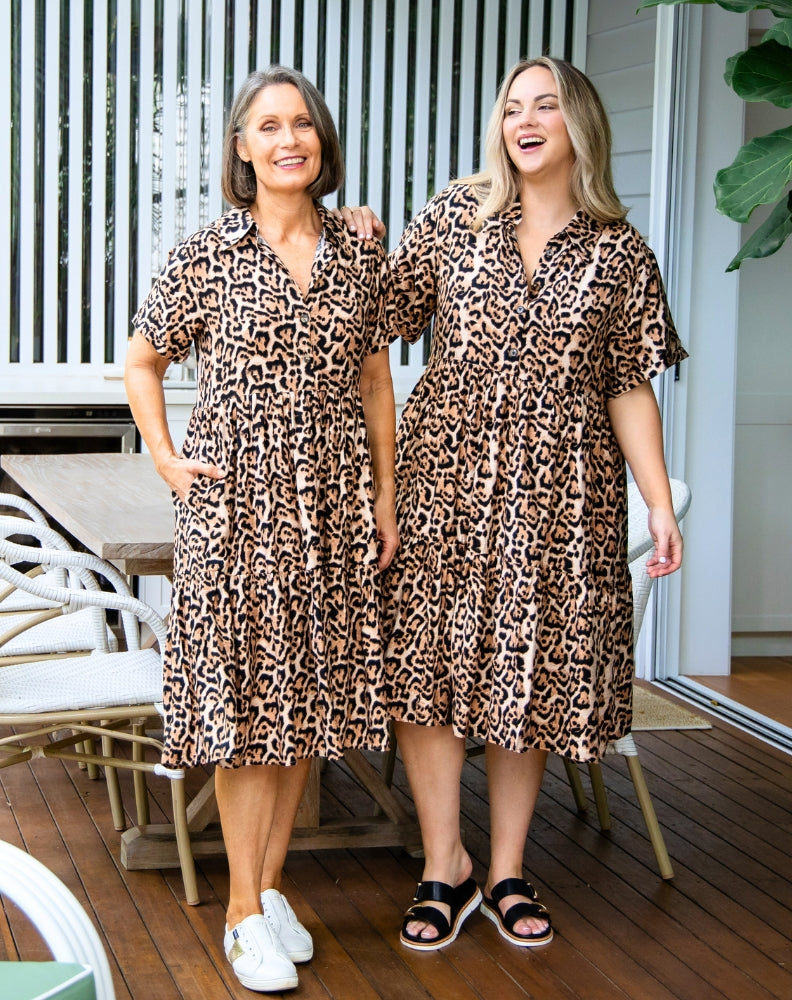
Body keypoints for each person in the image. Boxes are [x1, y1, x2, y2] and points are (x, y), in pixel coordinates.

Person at [341, 56, 687, 951]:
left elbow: (628, 385)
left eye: (545, 106)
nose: (525, 121)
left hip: (561, 496)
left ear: (580, 124)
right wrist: (353, 232)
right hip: (443, 481)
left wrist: (658, 501)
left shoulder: (620, 251)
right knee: (425, 669)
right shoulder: (455, 216)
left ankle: (505, 870)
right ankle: (441, 865)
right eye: (512, 108)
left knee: (524, 676)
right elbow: (382, 314)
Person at [125, 66, 397, 993]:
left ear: (322, 140)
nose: (289, 139)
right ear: (241, 148)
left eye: (302, 124)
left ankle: (269, 889)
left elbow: (374, 383)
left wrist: (385, 498)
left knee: (305, 710)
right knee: (249, 715)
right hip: (237, 513)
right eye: (268, 126)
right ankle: (242, 914)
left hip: (333, 511)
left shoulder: (360, 252)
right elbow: (142, 359)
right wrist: (166, 459)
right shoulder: (206, 255)